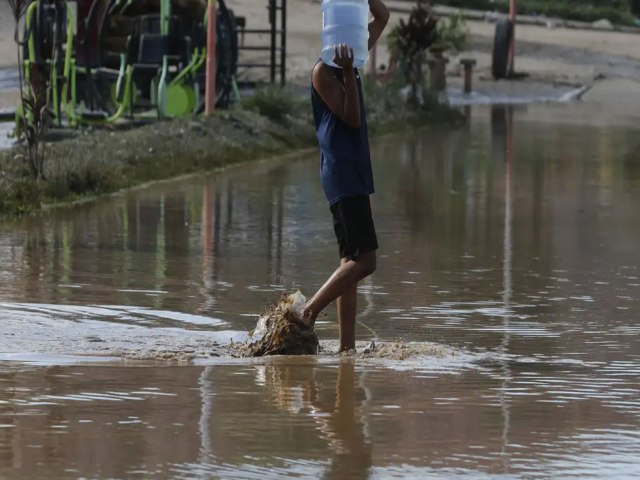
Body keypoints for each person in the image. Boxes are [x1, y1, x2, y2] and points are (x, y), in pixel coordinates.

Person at [302, 0, 390, 352]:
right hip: (341, 173)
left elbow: (382, 17)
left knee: (349, 263)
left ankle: (346, 349)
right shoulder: (324, 71)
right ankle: (308, 312)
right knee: (365, 261)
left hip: (351, 169)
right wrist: (349, 72)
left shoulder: (353, 55)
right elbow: (351, 118)